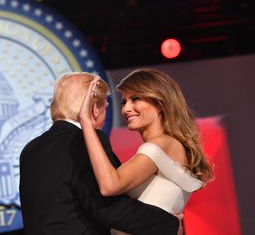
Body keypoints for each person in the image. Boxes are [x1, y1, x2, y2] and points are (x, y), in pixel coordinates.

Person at [19, 72, 181, 235]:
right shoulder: (86, 141)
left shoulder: (31, 149)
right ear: (95, 108)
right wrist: (169, 224)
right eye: (105, 107)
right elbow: (110, 208)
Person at [78, 68, 214, 234]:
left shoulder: (160, 145)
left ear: (160, 102)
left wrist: (86, 122)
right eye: (124, 102)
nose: (126, 109)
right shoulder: (170, 145)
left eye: (135, 99)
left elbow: (110, 185)